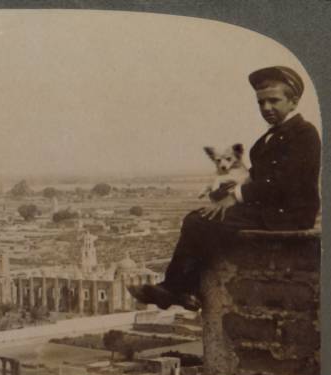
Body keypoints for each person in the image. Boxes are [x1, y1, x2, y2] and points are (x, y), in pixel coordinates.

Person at [131, 66, 321, 311]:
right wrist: (231, 188)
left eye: (274, 101)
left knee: (200, 223)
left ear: (294, 102)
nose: (266, 108)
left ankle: (176, 289)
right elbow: (257, 175)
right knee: (198, 218)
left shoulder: (304, 134)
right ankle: (182, 289)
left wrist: (235, 197)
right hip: (271, 210)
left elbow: (285, 182)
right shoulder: (270, 138)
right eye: (261, 103)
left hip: (289, 215)